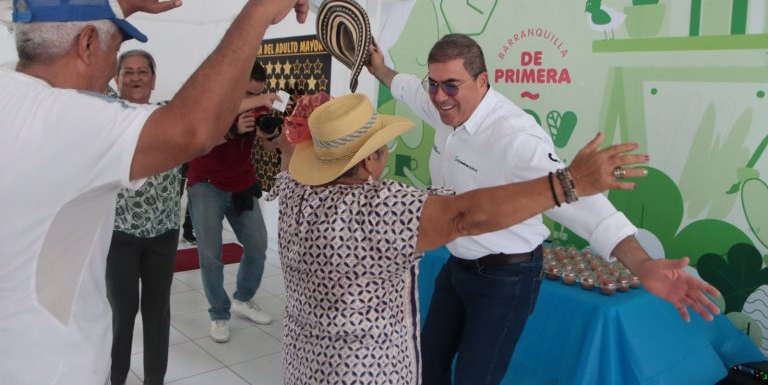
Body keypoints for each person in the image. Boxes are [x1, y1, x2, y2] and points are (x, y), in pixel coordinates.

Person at [0, 0, 308, 385]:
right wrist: (257, 11)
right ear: (88, 42)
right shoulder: (75, 118)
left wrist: (119, 3)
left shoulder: (15, 95)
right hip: (51, 367)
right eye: (115, 55)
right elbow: (192, 131)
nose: (116, 72)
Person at [367, 34, 721, 384]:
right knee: (427, 365)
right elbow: (408, 89)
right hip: (457, 265)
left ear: (482, 81)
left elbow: (580, 200)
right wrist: (379, 68)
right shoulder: (443, 105)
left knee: (476, 379)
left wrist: (643, 265)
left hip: (505, 277)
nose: (439, 95)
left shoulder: (516, 138)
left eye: (451, 85)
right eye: (434, 84)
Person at [265, 92, 647, 384]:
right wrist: (569, 182)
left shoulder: (296, 191)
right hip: (366, 371)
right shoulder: (377, 208)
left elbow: (288, 155)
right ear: (370, 160)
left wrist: (301, 130)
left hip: (305, 364)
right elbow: (465, 216)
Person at [105, 50, 182, 385]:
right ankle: (115, 379)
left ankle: (155, 380)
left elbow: (214, 114)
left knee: (157, 314)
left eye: (142, 71)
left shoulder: (170, 115)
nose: (135, 78)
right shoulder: (106, 113)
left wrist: (259, 100)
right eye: (128, 72)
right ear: (117, 77)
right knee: (122, 314)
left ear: (153, 77)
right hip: (119, 233)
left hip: (163, 233)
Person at [186, 61, 274, 343]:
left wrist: (268, 132)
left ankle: (243, 299)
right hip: (206, 184)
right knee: (211, 255)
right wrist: (233, 130)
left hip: (242, 183)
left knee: (258, 244)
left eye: (257, 94)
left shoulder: (257, 108)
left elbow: (274, 146)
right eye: (247, 94)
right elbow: (199, 140)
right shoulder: (212, 99)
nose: (252, 101)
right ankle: (219, 314)